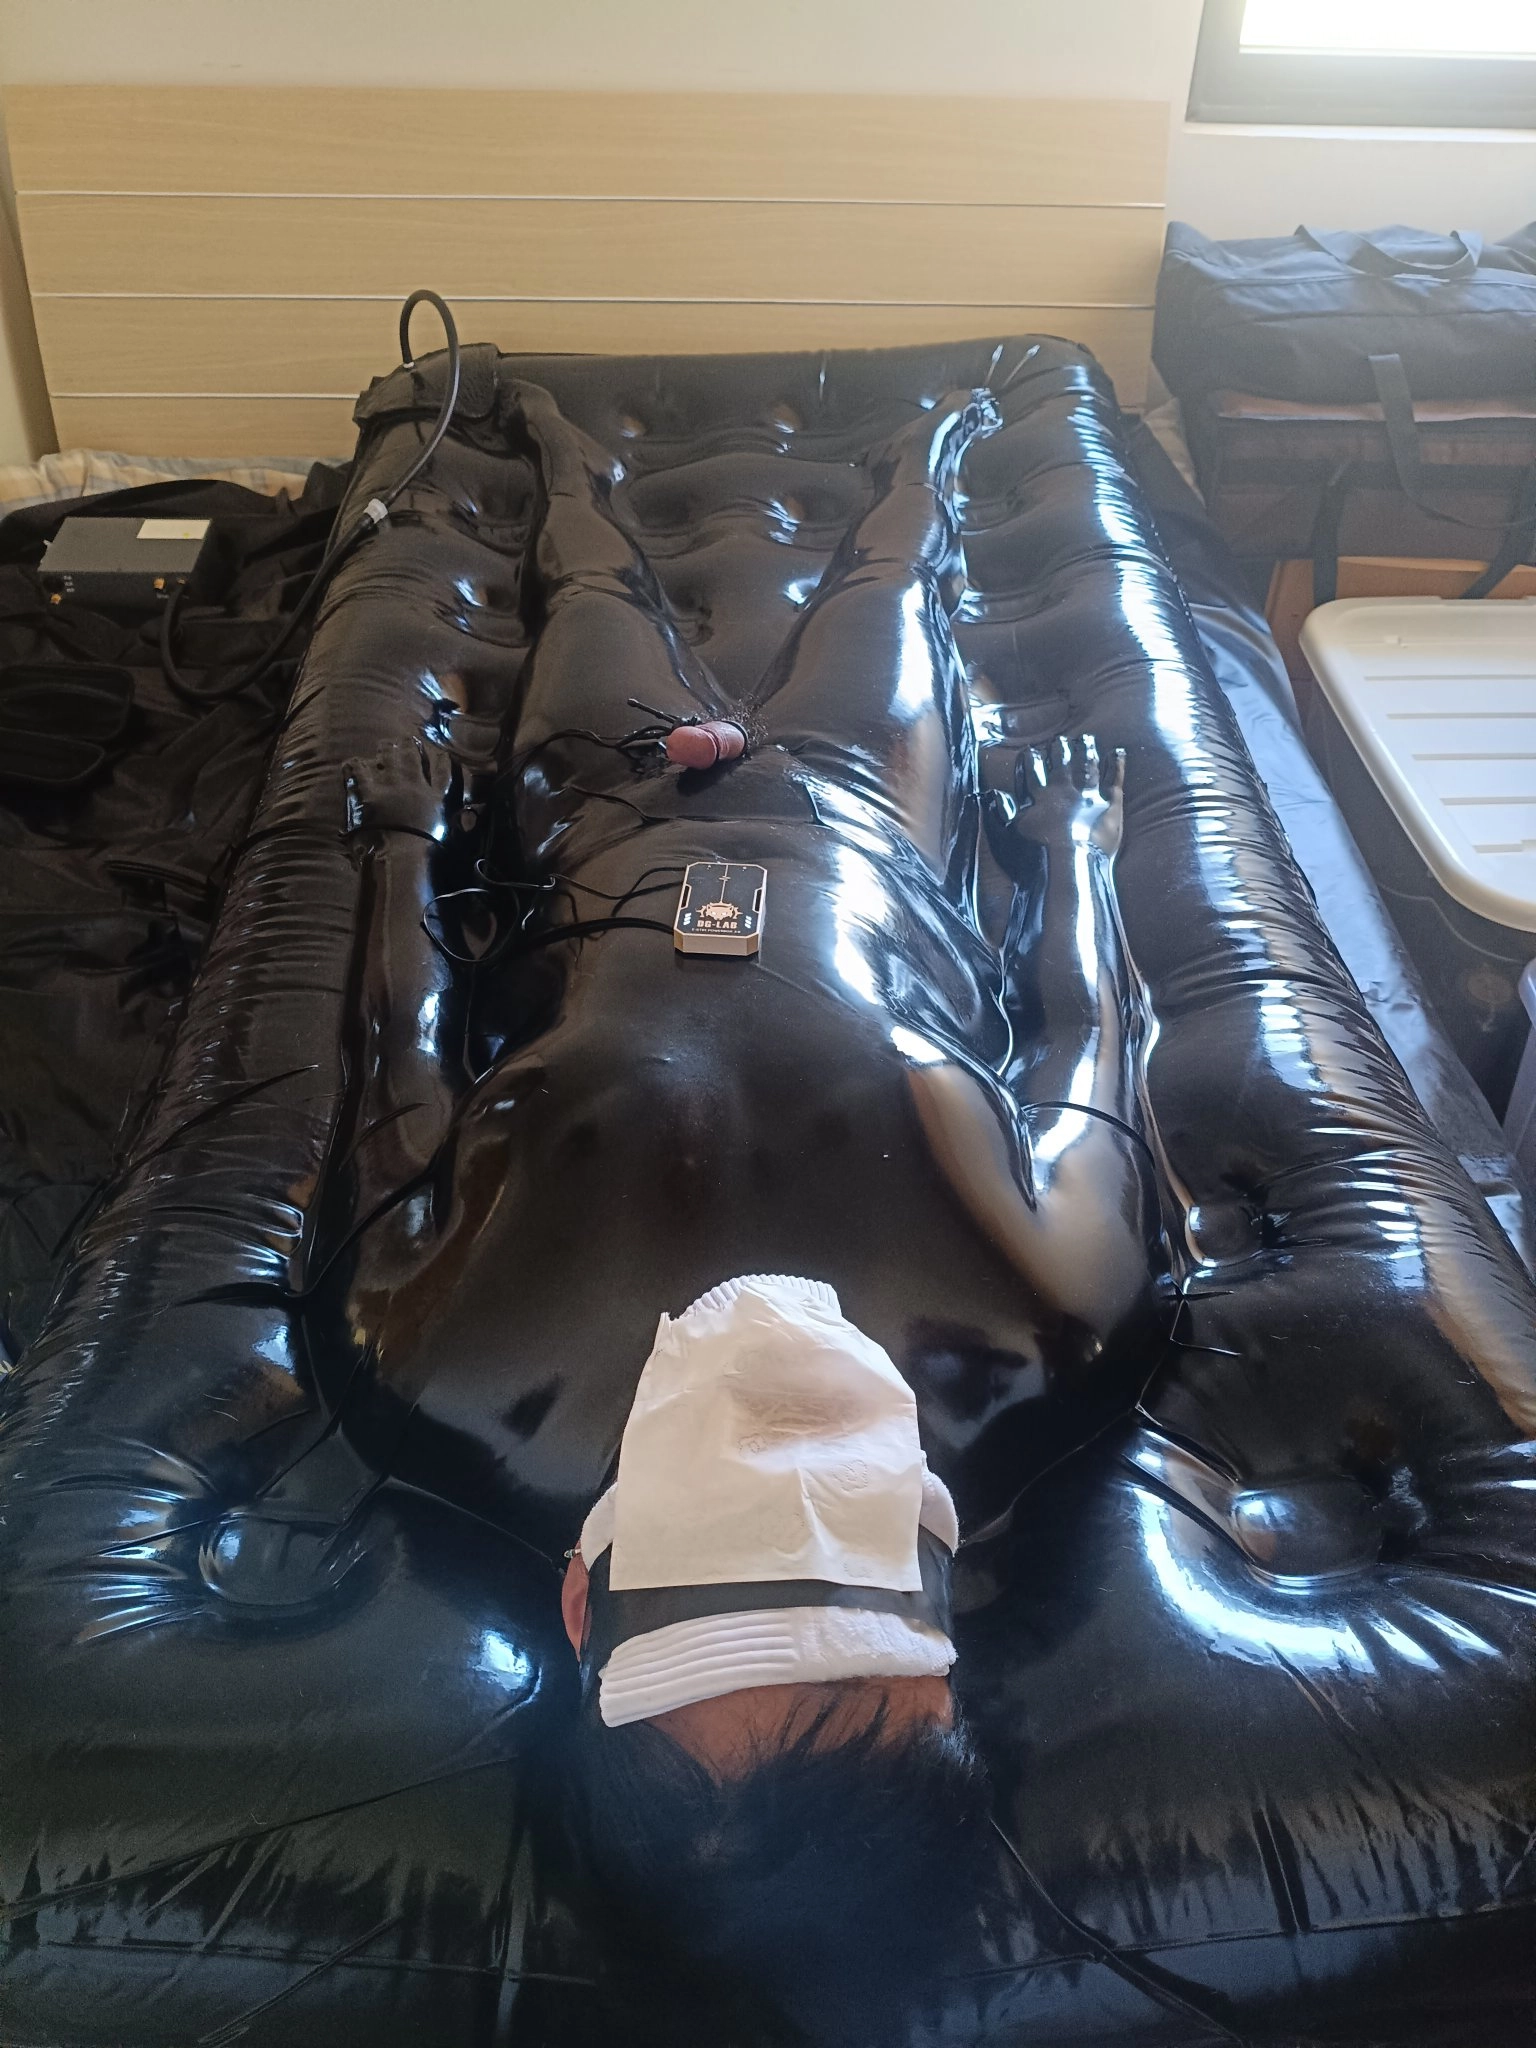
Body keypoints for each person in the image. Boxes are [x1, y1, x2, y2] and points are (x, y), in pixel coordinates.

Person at [324, 374, 1167, 2040]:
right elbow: (1094, 1044)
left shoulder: (440, 1359)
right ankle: (939, 432)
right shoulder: (1049, 1334)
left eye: (734, 1576)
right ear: (948, 1652)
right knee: (889, 571)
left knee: (586, 570)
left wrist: (402, 851)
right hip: (868, 817)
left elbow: (396, 1064)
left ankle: (553, 433)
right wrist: (1075, 850)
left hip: (600, 826)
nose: (793, 1452)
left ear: (584, 1603)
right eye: (861, 1579)